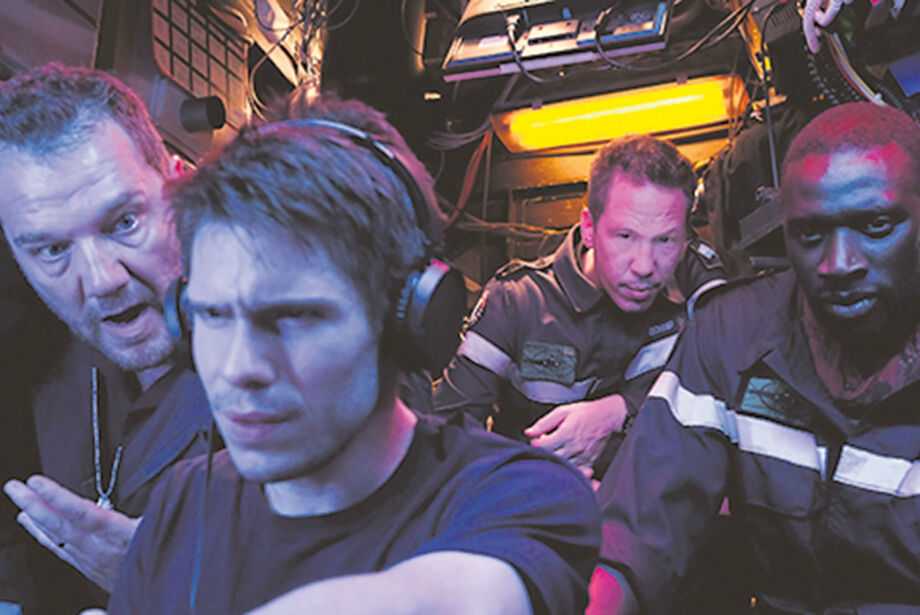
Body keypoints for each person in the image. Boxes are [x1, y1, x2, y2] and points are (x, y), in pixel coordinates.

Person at [106, 93, 601, 615]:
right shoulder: (183, 501)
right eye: (212, 315)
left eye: (294, 317)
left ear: (406, 322)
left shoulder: (526, 495)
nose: (238, 368)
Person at [589, 102, 920, 614]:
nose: (839, 264)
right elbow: (635, 534)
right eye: (810, 235)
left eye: (876, 226)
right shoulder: (731, 337)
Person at [0, 64, 212, 612]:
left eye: (124, 223)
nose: (101, 280)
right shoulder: (30, 355)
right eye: (52, 250)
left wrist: (164, 590)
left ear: (182, 188)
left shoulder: (303, 363)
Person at [433, 135, 725, 476]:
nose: (645, 266)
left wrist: (617, 412)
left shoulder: (694, 295)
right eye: (625, 237)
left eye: (665, 240)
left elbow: (724, 399)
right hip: (528, 497)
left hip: (642, 502)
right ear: (589, 229)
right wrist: (537, 485)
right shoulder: (518, 301)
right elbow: (447, 437)